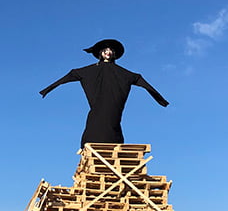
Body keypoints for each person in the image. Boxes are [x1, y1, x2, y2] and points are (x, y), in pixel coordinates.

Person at [40, 39, 169, 147]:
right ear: (101, 53)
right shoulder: (91, 70)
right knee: (96, 120)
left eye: (111, 51)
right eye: (106, 50)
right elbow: (73, 73)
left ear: (114, 54)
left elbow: (137, 78)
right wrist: (48, 89)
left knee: (113, 121)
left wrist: (159, 98)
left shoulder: (121, 73)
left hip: (114, 105)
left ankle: (114, 143)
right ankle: (91, 143)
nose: (108, 52)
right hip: (98, 106)